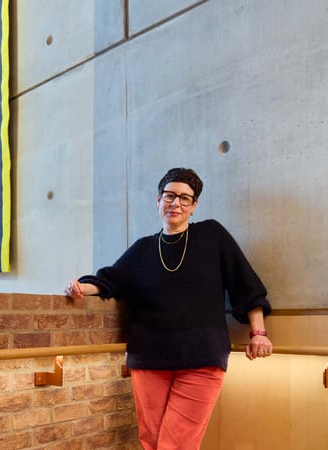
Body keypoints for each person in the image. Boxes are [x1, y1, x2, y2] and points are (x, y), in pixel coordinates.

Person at [64, 167, 273, 450]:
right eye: (169, 195)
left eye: (185, 198)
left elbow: (245, 284)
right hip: (149, 358)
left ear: (194, 205)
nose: (176, 203)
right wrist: (81, 288)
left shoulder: (212, 235)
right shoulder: (143, 249)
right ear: (158, 199)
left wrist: (258, 332)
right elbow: (111, 279)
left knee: (176, 445)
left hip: (202, 359)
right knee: (151, 442)